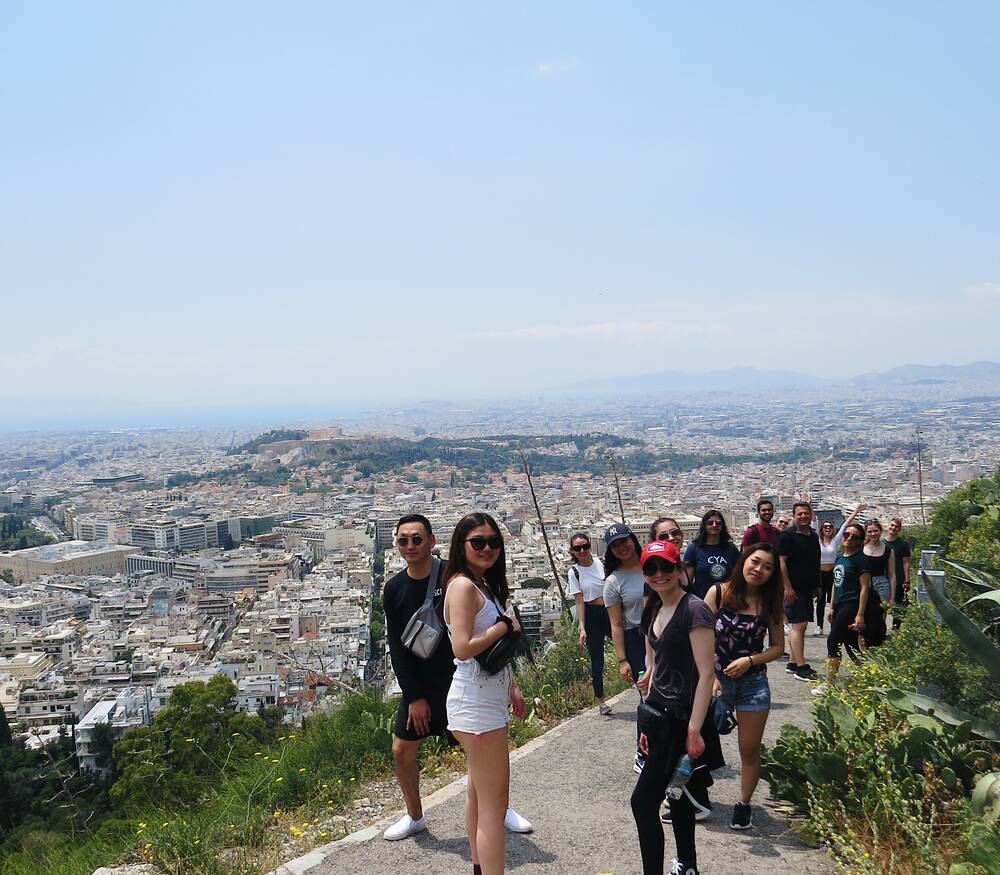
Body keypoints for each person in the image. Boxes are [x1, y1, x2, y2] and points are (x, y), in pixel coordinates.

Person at [382, 514, 532, 842]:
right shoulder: (394, 588)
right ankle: (415, 815)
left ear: (432, 541)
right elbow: (396, 644)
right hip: (422, 683)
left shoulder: (455, 575)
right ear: (396, 545)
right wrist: (414, 695)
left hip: (462, 679)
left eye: (417, 539)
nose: (410, 545)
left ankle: (500, 807)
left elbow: (486, 625)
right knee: (402, 751)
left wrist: (511, 682)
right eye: (403, 540)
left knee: (483, 751)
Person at [442, 512, 529, 875]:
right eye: (478, 542)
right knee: (495, 806)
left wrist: (512, 686)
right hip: (475, 705)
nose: (488, 548)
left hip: (482, 697)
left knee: (479, 794)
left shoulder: (481, 584)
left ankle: (479, 868)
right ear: (461, 546)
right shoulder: (463, 586)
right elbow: (462, 648)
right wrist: (504, 626)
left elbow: (488, 657)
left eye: (494, 541)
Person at [631, 539, 721, 875]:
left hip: (682, 719)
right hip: (659, 717)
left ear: (679, 570)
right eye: (651, 569)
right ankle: (687, 866)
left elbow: (706, 672)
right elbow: (660, 663)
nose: (659, 574)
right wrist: (646, 725)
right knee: (678, 796)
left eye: (666, 567)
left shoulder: (694, 609)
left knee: (642, 803)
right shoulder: (655, 608)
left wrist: (695, 729)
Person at [703, 545, 785, 830]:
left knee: (749, 749)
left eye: (767, 566)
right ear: (743, 562)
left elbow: (777, 647)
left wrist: (750, 660)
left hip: (753, 682)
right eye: (755, 562)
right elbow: (700, 637)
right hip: (715, 680)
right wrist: (711, 677)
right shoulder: (718, 593)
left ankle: (744, 803)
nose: (759, 569)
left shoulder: (769, 604)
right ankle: (690, 794)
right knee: (696, 742)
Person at [603, 522, 647, 772]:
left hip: (666, 634)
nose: (622, 547)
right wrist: (622, 659)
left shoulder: (652, 564)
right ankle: (643, 751)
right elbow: (616, 624)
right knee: (647, 696)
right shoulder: (613, 582)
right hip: (636, 639)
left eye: (624, 541)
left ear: (633, 539)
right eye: (615, 545)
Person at [567, 532, 611, 715]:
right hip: (592, 614)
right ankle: (601, 701)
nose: (583, 550)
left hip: (610, 610)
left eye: (585, 546)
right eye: (578, 548)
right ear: (572, 551)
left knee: (627, 645)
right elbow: (579, 600)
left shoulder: (602, 563)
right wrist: (582, 627)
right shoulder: (574, 572)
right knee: (596, 659)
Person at [778, 502, 821, 681]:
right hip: (793, 588)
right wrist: (787, 587)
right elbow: (781, 563)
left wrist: (817, 585)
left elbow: (815, 562)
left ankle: (793, 662)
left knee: (799, 626)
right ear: (794, 515)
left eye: (806, 513)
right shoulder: (787, 535)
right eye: (800, 514)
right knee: (799, 625)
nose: (803, 516)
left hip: (807, 587)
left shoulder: (813, 536)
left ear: (811, 515)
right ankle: (802, 668)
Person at [824, 523, 872, 682]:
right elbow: (835, 584)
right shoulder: (839, 558)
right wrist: (831, 606)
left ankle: (830, 682)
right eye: (846, 534)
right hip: (839, 604)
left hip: (851, 605)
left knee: (833, 641)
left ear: (860, 541)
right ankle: (869, 676)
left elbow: (865, 588)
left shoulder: (861, 560)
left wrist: (860, 614)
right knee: (850, 643)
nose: (849, 538)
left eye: (855, 537)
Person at [816, 503, 866, 635]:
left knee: (833, 599)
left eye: (830, 527)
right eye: (825, 526)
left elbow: (846, 525)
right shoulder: (817, 540)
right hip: (820, 573)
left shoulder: (836, 541)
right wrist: (808, 504)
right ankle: (819, 626)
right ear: (821, 529)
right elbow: (812, 523)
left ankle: (835, 624)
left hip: (833, 572)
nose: (828, 528)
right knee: (820, 601)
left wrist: (856, 511)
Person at [683, 511, 740, 600]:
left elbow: (738, 573)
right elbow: (688, 580)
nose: (714, 525)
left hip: (727, 599)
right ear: (704, 525)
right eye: (710, 523)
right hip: (702, 600)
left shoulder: (731, 548)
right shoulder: (694, 548)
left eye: (718, 523)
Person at [650, 517, 692, 589]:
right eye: (663, 536)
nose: (671, 538)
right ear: (655, 542)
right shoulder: (655, 572)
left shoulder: (680, 566)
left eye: (675, 533)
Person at [885, 517, 912, 630]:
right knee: (882, 605)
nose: (893, 528)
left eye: (896, 527)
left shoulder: (903, 544)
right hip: (884, 578)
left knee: (898, 606)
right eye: (892, 525)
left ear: (899, 529)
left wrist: (907, 579)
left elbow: (906, 562)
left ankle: (896, 629)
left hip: (899, 578)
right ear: (888, 526)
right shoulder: (881, 543)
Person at [863, 519, 896, 608]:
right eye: (870, 531)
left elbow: (892, 574)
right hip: (863, 583)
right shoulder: (860, 548)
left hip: (882, 584)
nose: (873, 534)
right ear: (866, 533)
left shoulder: (888, 551)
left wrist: (892, 597)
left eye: (875, 531)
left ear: (880, 531)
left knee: (881, 613)